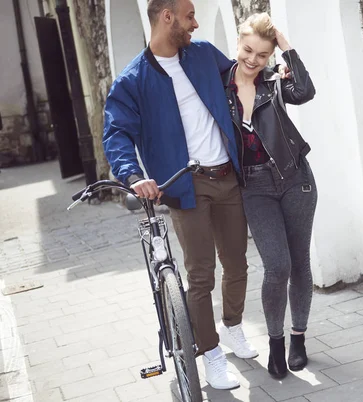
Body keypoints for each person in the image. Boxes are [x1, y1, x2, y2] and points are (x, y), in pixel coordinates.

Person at [102, 0, 258, 390]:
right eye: (189, 16)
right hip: (185, 185)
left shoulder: (203, 54)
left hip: (226, 175)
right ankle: (211, 353)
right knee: (201, 274)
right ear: (167, 17)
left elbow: (242, 75)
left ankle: (234, 326)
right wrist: (133, 175)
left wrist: (273, 67)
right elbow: (116, 133)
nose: (196, 23)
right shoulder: (133, 80)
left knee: (237, 264)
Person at [222, 13, 317, 379]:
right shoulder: (220, 88)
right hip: (254, 187)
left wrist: (286, 47)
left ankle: (298, 338)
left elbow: (305, 92)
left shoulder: (274, 81)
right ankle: (275, 343)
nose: (253, 60)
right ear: (238, 44)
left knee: (300, 263)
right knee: (277, 267)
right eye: (248, 50)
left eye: (262, 54)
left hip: (295, 180)